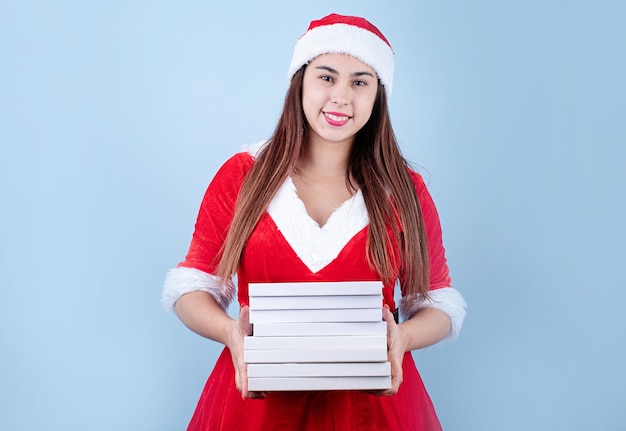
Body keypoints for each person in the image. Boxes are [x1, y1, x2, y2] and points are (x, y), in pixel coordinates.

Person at [162, 13, 467, 431]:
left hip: (372, 412)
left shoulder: (404, 190)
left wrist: (404, 338)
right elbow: (193, 286)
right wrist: (231, 332)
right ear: (300, 82)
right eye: (327, 77)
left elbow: (437, 304)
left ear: (378, 95)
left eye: (360, 81)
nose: (341, 97)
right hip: (256, 408)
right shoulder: (243, 176)